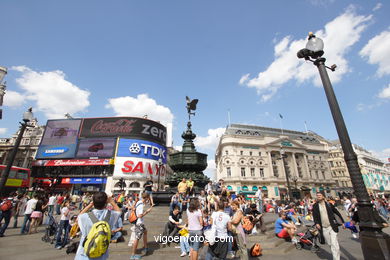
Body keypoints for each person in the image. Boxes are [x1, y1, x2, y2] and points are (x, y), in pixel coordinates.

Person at [75, 192, 121, 260]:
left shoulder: (85, 216)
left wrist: (90, 205)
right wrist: (111, 201)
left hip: (85, 253)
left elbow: (79, 217)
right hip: (101, 253)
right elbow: (119, 212)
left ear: (93, 202)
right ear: (106, 203)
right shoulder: (110, 215)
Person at [312, 192, 344, 260]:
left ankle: (336, 258)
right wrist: (317, 223)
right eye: (317, 195)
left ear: (323, 196)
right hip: (323, 227)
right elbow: (314, 216)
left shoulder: (329, 204)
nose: (318, 196)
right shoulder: (315, 206)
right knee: (330, 243)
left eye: (320, 195)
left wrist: (342, 222)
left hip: (331, 226)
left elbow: (336, 212)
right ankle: (336, 252)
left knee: (334, 244)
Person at [130, 193, 153, 260]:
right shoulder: (141, 205)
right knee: (137, 239)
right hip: (139, 223)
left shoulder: (139, 202)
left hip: (139, 223)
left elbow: (134, 209)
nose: (148, 200)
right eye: (148, 199)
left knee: (145, 232)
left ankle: (145, 247)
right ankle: (133, 255)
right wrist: (147, 211)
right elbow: (140, 215)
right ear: (146, 198)